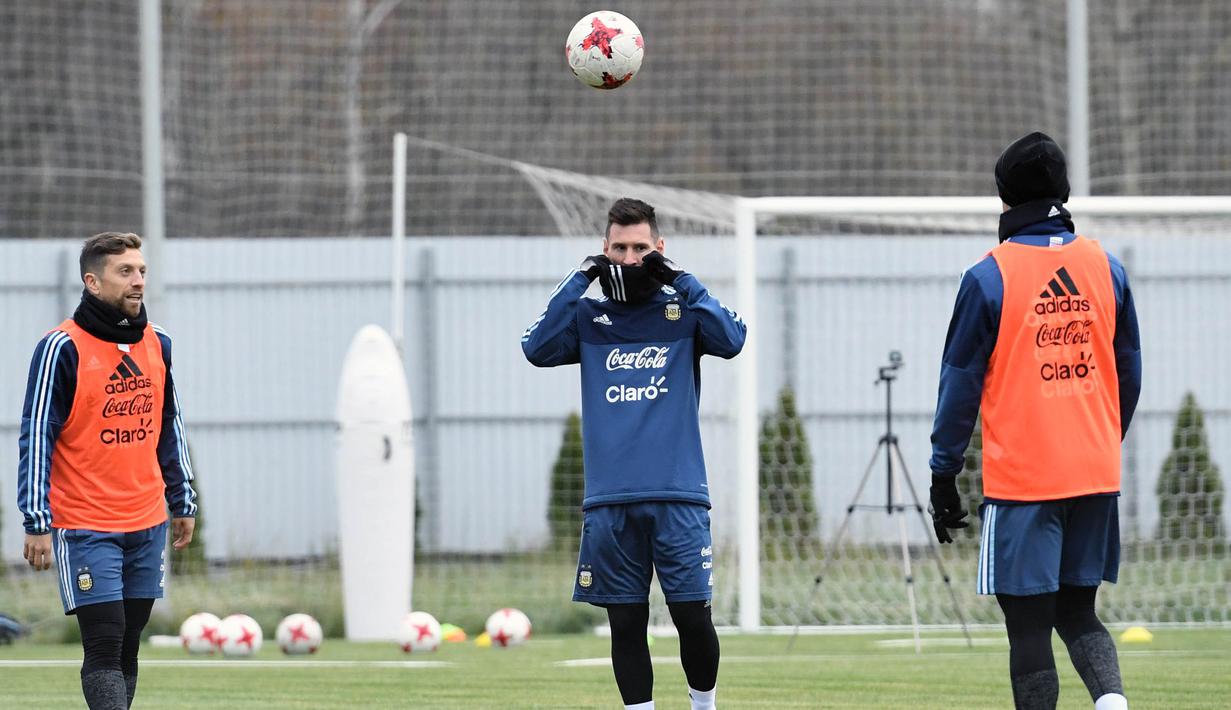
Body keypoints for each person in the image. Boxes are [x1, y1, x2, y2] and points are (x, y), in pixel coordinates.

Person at [928, 133, 1142, 710]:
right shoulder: (1108, 267)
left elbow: (958, 385)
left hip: (1025, 481)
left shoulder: (989, 276)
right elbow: (1130, 371)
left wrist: (943, 474)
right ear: (1063, 191)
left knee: (1027, 625)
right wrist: (1096, 438)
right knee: (1078, 611)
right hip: (1095, 473)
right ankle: (1112, 703)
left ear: (1004, 200)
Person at [522, 198, 746, 710]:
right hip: (610, 502)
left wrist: (682, 279)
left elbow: (733, 338)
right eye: (618, 249)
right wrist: (580, 277)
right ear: (604, 250)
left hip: (679, 496)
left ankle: (703, 706)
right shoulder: (587, 315)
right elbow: (535, 347)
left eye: (640, 248)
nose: (629, 259)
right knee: (625, 622)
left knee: (693, 617)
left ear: (659, 249)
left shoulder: (684, 312)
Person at [18, 232, 198, 710]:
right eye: (125, 272)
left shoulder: (158, 343)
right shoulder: (62, 348)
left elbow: (167, 423)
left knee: (129, 643)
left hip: (146, 521)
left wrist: (182, 499)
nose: (138, 281)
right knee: (104, 640)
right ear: (93, 282)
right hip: (85, 524)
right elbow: (37, 435)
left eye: (141, 271)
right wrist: (36, 520)